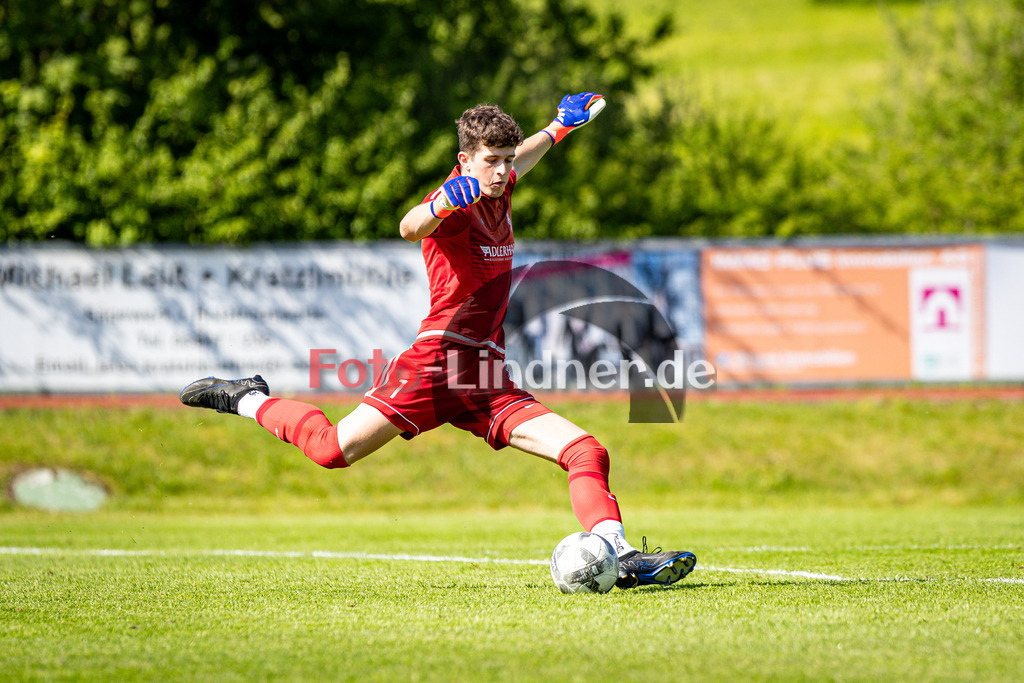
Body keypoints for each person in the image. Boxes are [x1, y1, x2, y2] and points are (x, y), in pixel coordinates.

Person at [180, 93, 696, 588]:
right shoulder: (458, 202)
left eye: (506, 161)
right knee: (331, 450)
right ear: (464, 160)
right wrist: (444, 202)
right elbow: (410, 226)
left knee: (585, 450)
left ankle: (620, 555)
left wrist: (559, 127)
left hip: (485, 374)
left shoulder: (498, 186)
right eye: (491, 161)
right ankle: (246, 398)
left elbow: (523, 158)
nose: (502, 171)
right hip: (435, 365)